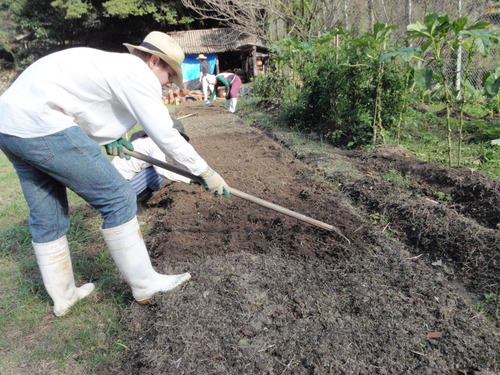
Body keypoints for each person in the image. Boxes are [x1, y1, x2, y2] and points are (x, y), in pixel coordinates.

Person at [0, 31, 230, 317]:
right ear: (154, 61)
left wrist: (106, 138)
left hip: (10, 126)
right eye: (170, 73)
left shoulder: (114, 66)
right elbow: (164, 134)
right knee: (118, 198)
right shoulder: (138, 74)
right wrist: (205, 171)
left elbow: (80, 101)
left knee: (47, 215)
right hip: (43, 125)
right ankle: (147, 285)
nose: (171, 82)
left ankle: (65, 296)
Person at [112, 117, 191, 214]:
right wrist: (190, 179)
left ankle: (135, 199)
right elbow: (162, 170)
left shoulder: (147, 140)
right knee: (158, 174)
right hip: (117, 189)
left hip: (116, 184)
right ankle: (132, 203)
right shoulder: (154, 144)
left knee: (157, 170)